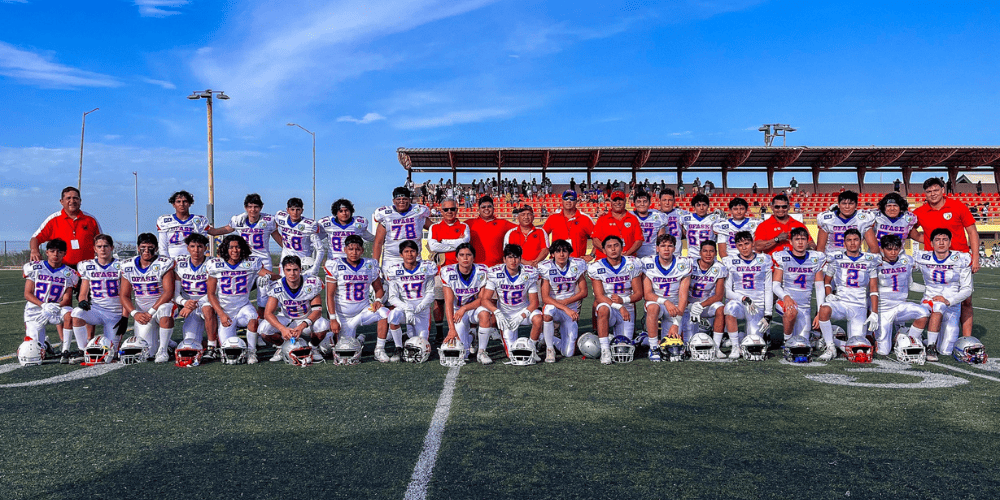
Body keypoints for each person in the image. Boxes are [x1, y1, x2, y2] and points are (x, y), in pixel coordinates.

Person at [911, 177, 979, 338]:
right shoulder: (920, 212)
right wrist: (927, 240)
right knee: (934, 298)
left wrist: (975, 257)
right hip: (935, 261)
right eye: (929, 191)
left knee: (966, 300)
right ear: (925, 194)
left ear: (943, 190)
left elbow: (972, 232)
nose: (933, 194)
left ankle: (966, 338)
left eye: (936, 190)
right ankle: (934, 335)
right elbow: (910, 230)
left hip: (959, 259)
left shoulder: (957, 206)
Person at [206, 235, 279, 364]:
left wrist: (270, 277)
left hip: (243, 307)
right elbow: (211, 294)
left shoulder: (250, 263)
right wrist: (221, 314)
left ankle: (252, 351)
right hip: (226, 311)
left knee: (252, 316)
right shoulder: (216, 265)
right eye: (231, 247)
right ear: (225, 249)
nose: (235, 250)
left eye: (238, 247)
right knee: (227, 347)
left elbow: (274, 276)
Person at [815, 229, 880, 360]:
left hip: (859, 307)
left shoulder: (870, 260)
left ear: (861, 242)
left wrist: (874, 312)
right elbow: (827, 281)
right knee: (824, 309)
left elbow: (873, 290)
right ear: (844, 243)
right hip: (841, 303)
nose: (852, 243)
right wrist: (829, 294)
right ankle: (830, 347)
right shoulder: (836, 258)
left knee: (857, 348)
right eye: (849, 240)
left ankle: (833, 340)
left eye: (855, 240)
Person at [209, 193, 282, 311]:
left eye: (256, 207)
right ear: (245, 207)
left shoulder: (269, 221)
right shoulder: (238, 220)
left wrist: (292, 250)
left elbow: (280, 239)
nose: (253, 210)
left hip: (262, 260)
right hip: (243, 260)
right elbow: (218, 231)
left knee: (263, 292)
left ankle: (262, 319)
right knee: (236, 289)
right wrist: (206, 228)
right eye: (250, 207)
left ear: (261, 207)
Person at [913, 228, 973, 360]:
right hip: (929, 301)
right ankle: (925, 344)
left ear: (950, 242)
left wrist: (948, 300)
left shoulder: (961, 259)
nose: (941, 243)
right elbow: (903, 269)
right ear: (931, 243)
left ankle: (927, 340)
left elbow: (968, 289)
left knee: (946, 351)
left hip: (952, 305)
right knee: (937, 306)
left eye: (945, 240)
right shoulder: (922, 257)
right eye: (937, 240)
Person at [479, 244, 543, 362]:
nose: (513, 261)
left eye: (516, 257)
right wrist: (497, 312)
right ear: (504, 259)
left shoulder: (529, 274)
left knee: (538, 318)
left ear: (520, 259)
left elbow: (534, 302)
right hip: (505, 316)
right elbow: (485, 299)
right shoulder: (495, 273)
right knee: (512, 355)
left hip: (523, 312)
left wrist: (522, 315)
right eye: (510, 257)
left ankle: (532, 347)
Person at [260, 255, 330, 362]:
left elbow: (317, 311)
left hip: (306, 320)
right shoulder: (277, 286)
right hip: (287, 319)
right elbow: (268, 314)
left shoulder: (311, 283)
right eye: (288, 270)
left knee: (323, 325)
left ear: (300, 269)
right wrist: (282, 329)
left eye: (295, 269)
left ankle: (313, 347)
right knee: (263, 328)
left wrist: (302, 326)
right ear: (283, 270)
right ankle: (282, 347)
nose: (292, 273)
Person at [120, 233, 177, 363]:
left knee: (165, 309)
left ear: (156, 248)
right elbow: (124, 295)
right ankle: (165, 341)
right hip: (142, 312)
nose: (146, 250)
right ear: (138, 248)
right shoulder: (128, 266)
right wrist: (135, 313)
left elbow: (168, 292)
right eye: (143, 247)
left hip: (160, 307)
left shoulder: (164, 263)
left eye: (150, 247)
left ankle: (163, 349)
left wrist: (151, 312)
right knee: (147, 351)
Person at [589, 235, 644, 364]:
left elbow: (638, 294)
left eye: (616, 245)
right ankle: (605, 350)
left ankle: (614, 337)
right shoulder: (597, 267)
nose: (613, 249)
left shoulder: (632, 264)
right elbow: (599, 296)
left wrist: (623, 301)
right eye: (609, 246)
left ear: (622, 248)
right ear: (604, 250)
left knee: (623, 348)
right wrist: (619, 306)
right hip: (609, 305)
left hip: (626, 308)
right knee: (602, 309)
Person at [324, 234, 387, 346]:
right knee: (344, 347)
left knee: (385, 313)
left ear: (362, 250)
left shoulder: (370, 265)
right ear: (345, 250)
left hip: (363, 310)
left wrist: (378, 300)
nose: (354, 252)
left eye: (357, 249)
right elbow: (330, 295)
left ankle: (379, 349)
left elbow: (379, 289)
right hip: (343, 315)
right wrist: (333, 318)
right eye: (350, 249)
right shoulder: (335, 265)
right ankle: (355, 339)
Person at [873, 234, 930, 356]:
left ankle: (908, 339)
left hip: (900, 306)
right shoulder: (875, 264)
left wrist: (930, 291)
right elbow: (869, 291)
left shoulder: (906, 261)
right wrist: (872, 312)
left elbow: (911, 285)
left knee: (923, 313)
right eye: (889, 249)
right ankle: (876, 335)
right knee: (883, 351)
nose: (893, 252)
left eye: (896, 249)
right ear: (882, 249)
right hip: (882, 310)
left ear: (900, 249)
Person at [71, 234, 125, 359]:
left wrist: (124, 316)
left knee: (112, 353)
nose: (103, 249)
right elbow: (83, 292)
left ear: (112, 248)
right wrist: (82, 301)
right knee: (76, 313)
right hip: (96, 310)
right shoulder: (87, 266)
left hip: (115, 313)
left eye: (106, 246)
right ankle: (82, 349)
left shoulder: (121, 265)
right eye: (99, 246)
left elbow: (126, 294)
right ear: (94, 249)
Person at [383, 240, 438, 362]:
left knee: (422, 344)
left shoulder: (427, 268)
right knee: (393, 315)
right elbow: (392, 297)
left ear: (417, 253)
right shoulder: (395, 270)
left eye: (412, 251)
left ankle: (406, 337)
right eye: (406, 251)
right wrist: (406, 308)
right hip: (405, 309)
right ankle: (398, 348)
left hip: (421, 310)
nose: (409, 254)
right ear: (401, 254)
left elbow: (430, 293)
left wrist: (421, 306)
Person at [722, 231, 773, 359]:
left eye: (746, 243)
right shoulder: (731, 261)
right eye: (740, 245)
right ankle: (735, 346)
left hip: (757, 306)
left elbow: (768, 289)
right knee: (730, 307)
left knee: (754, 343)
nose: (744, 248)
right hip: (740, 304)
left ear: (752, 243)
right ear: (736, 246)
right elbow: (726, 291)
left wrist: (768, 314)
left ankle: (741, 336)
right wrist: (742, 298)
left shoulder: (764, 260)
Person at [24, 239, 78, 357]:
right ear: (47, 252)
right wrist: (43, 305)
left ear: (64, 253)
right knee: (35, 350)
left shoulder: (69, 273)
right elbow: (27, 293)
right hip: (35, 309)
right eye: (52, 251)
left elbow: (67, 298)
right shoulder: (35, 267)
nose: (55, 254)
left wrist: (56, 306)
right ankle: (45, 344)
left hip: (56, 308)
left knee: (70, 314)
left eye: (59, 252)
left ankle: (65, 350)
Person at [427, 197, 471, 344]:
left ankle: (465, 332)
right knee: (439, 301)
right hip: (441, 270)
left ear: (457, 210)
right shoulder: (434, 227)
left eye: (452, 209)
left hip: (461, 271)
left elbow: (465, 243)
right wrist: (456, 243)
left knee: (462, 302)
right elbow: (433, 246)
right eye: (446, 209)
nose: (449, 211)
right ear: (441, 211)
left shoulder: (464, 226)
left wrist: (443, 242)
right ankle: (440, 332)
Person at [641, 234, 691, 362]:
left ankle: (644, 339)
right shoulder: (648, 263)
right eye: (663, 246)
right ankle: (653, 348)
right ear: (657, 248)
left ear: (675, 248)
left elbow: (683, 297)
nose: (666, 249)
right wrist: (666, 301)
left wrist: (676, 323)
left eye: (670, 246)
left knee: (671, 345)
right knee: (653, 307)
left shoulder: (683, 264)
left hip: (676, 308)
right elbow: (647, 294)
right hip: (657, 303)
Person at [771, 227, 827, 343]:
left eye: (803, 239)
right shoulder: (783, 257)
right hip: (786, 302)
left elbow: (819, 288)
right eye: (797, 239)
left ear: (807, 241)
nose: (800, 242)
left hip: (805, 307)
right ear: (791, 242)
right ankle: (787, 342)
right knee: (791, 311)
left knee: (802, 343)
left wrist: (820, 312)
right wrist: (785, 297)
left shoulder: (815, 258)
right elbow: (775, 285)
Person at [537, 239, 589, 361]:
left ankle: (547, 338)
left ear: (569, 253)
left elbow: (584, 292)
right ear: (552, 254)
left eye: (564, 251)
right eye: (558, 251)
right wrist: (565, 307)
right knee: (548, 312)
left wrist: (567, 302)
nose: (561, 254)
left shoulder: (577, 265)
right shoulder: (546, 267)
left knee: (568, 353)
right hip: (555, 306)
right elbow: (545, 298)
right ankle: (550, 349)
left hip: (570, 308)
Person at [440, 243, 489, 363]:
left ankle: (482, 352)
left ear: (474, 257)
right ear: (457, 258)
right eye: (461, 255)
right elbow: (448, 303)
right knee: (463, 353)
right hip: (457, 311)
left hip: (474, 308)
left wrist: (465, 308)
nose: (465, 258)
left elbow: (482, 300)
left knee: (485, 313)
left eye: (468, 255)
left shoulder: (482, 271)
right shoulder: (448, 272)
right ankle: (472, 336)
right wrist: (451, 329)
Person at [30, 186, 102, 268]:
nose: (72, 201)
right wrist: (34, 250)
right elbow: (35, 238)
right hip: (60, 268)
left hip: (86, 268)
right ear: (61, 201)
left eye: (75, 198)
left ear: (80, 201)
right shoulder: (53, 220)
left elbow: (101, 242)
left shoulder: (91, 220)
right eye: (68, 198)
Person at [171, 233, 218, 357]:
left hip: (209, 303)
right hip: (189, 306)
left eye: (200, 246)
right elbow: (175, 293)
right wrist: (184, 303)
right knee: (190, 344)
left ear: (205, 248)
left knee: (207, 308)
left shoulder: (212, 263)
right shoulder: (180, 264)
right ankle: (209, 341)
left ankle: (212, 346)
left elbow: (213, 292)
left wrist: (192, 305)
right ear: (187, 248)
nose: (196, 250)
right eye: (192, 246)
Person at [372, 187, 433, 274]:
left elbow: (434, 229)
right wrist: (375, 265)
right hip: (392, 259)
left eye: (404, 199)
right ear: (393, 201)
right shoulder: (386, 215)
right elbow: (378, 242)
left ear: (409, 200)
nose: (401, 201)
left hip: (414, 258)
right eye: (398, 199)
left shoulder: (418, 213)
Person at [684, 240, 728, 354]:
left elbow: (719, 296)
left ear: (715, 253)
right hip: (687, 305)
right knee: (687, 343)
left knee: (720, 308)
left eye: (711, 251)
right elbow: (681, 290)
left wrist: (700, 305)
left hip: (705, 304)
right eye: (705, 251)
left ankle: (716, 346)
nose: (708, 254)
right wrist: (689, 305)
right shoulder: (689, 264)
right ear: (700, 252)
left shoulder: (719, 267)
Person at [816, 190, 878, 255]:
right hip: (832, 258)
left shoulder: (863, 220)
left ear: (856, 205)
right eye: (844, 203)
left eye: (851, 204)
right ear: (838, 205)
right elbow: (820, 249)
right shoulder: (827, 220)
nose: (847, 207)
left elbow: (874, 248)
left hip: (854, 258)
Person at [274, 197, 324, 277]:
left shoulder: (309, 225)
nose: (295, 212)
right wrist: (283, 245)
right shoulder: (280, 217)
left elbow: (320, 249)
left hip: (303, 263)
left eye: (298, 210)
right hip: (286, 261)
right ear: (287, 210)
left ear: (302, 210)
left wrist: (316, 267)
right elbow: (272, 228)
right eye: (292, 209)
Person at [317, 198, 375, 265]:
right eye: (341, 211)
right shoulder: (327, 224)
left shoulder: (357, 224)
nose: (344, 213)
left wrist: (382, 239)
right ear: (336, 213)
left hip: (352, 261)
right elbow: (316, 238)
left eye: (346, 210)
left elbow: (371, 238)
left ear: (351, 211)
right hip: (334, 261)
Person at [542, 190, 595, 261]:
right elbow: (541, 237)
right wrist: (547, 252)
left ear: (576, 201)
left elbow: (599, 238)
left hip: (577, 262)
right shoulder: (553, 218)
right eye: (566, 198)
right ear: (562, 201)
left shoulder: (585, 219)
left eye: (572, 198)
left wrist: (592, 255)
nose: (568, 201)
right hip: (557, 262)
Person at [156, 190, 211, 259]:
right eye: (178, 201)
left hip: (192, 259)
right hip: (172, 257)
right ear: (173, 204)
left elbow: (202, 244)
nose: (182, 204)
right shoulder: (164, 221)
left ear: (190, 204)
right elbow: (163, 247)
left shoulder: (199, 221)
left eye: (185, 201)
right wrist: (166, 261)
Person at [466, 195, 516, 267]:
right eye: (483, 207)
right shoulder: (469, 223)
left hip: (497, 267)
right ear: (478, 210)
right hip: (475, 267)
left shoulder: (503, 223)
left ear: (493, 209)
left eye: (489, 206)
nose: (486, 209)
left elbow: (522, 228)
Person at [592, 190, 642, 260]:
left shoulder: (633, 219)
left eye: (620, 200)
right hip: (605, 259)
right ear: (611, 202)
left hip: (627, 259)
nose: (618, 202)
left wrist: (627, 254)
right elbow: (595, 239)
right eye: (615, 200)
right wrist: (607, 251)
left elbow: (639, 240)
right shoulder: (602, 219)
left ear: (625, 201)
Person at [631, 190, 667, 258]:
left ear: (649, 203)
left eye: (645, 201)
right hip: (632, 255)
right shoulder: (629, 216)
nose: (642, 204)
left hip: (651, 255)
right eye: (639, 202)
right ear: (634, 203)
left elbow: (661, 240)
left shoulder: (658, 217)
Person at [657, 189, 688, 258]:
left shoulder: (682, 213)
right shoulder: (654, 215)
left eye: (670, 200)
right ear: (660, 201)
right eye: (664, 200)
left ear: (674, 201)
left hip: (676, 254)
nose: (667, 203)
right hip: (658, 254)